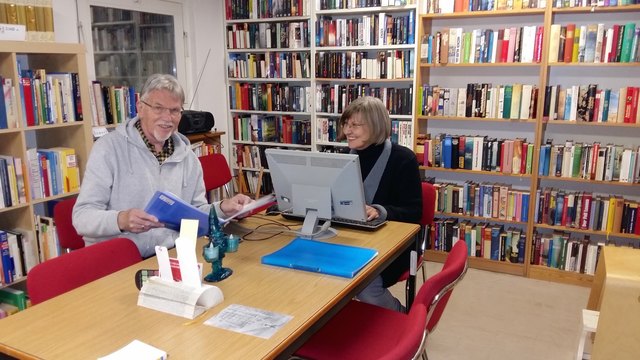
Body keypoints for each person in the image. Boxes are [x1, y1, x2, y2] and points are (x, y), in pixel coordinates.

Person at [73, 73, 252, 258]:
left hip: (169, 256)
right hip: (118, 259)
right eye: (158, 108)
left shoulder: (188, 158)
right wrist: (121, 220)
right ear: (140, 108)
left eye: (174, 110)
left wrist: (223, 207)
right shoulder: (108, 149)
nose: (167, 118)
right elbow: (82, 217)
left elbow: (194, 214)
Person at [339, 96, 423, 312]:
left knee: (365, 285)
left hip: (394, 246)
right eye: (346, 124)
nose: (348, 130)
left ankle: (400, 315)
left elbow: (414, 212)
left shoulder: (403, 159)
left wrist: (380, 211)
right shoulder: (343, 157)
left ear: (375, 125)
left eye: (355, 125)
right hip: (349, 238)